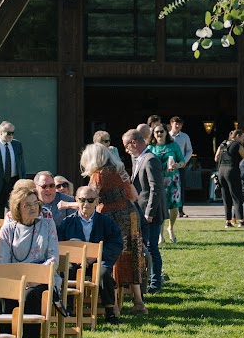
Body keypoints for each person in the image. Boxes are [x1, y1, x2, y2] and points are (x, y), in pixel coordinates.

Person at [0, 179, 59, 338]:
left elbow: (53, 258)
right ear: (18, 207)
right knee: (2, 296)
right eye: (28, 205)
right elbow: (3, 262)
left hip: (42, 278)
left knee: (31, 296)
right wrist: (18, 281)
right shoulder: (8, 229)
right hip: (14, 278)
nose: (33, 208)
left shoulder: (47, 224)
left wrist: (35, 278)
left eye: (35, 204)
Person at [83, 141, 146, 316]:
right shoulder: (121, 170)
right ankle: (139, 302)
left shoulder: (98, 175)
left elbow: (88, 199)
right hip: (130, 214)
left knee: (113, 256)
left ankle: (115, 306)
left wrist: (67, 204)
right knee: (133, 255)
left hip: (110, 216)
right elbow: (134, 196)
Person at [58, 183, 125, 324]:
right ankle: (68, 308)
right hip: (75, 261)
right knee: (68, 270)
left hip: (99, 260)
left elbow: (116, 243)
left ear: (97, 201)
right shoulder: (67, 222)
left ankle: (110, 312)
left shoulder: (106, 222)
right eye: (82, 200)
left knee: (103, 273)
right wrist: (76, 257)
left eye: (90, 200)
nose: (86, 204)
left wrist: (96, 256)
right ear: (76, 200)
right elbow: (59, 245)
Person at [128, 130, 165, 299]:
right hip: (140, 211)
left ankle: (156, 283)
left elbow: (156, 188)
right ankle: (147, 280)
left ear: (134, 143)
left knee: (151, 248)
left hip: (151, 213)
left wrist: (149, 213)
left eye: (127, 146)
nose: (126, 150)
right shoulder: (137, 159)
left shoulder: (150, 159)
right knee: (144, 247)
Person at [148, 124, 184, 245]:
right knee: (160, 207)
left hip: (173, 179)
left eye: (161, 131)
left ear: (166, 132)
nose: (159, 134)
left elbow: (182, 161)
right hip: (158, 180)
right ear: (153, 134)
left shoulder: (173, 145)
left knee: (174, 206)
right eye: (156, 132)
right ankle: (161, 235)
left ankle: (171, 228)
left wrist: (177, 165)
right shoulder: (150, 147)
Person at [0, 122, 24, 218]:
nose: (11, 136)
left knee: (14, 212)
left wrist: (23, 182)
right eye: (8, 133)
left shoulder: (17, 145)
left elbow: (21, 165)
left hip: (13, 182)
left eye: (12, 133)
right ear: (0, 132)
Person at [217, 129, 244, 227]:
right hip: (231, 170)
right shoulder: (237, 145)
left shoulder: (223, 144)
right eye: (242, 137)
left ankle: (227, 221)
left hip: (221, 170)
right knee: (236, 195)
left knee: (226, 196)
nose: (243, 139)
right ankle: (241, 220)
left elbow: (216, 157)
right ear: (238, 136)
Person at [167, 117, 195, 217]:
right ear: (171, 124)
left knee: (180, 187)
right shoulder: (167, 136)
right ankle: (167, 209)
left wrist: (184, 161)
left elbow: (189, 150)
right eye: (176, 124)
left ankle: (180, 210)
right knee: (167, 186)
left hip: (180, 165)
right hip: (168, 165)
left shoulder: (184, 136)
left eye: (180, 124)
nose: (178, 126)